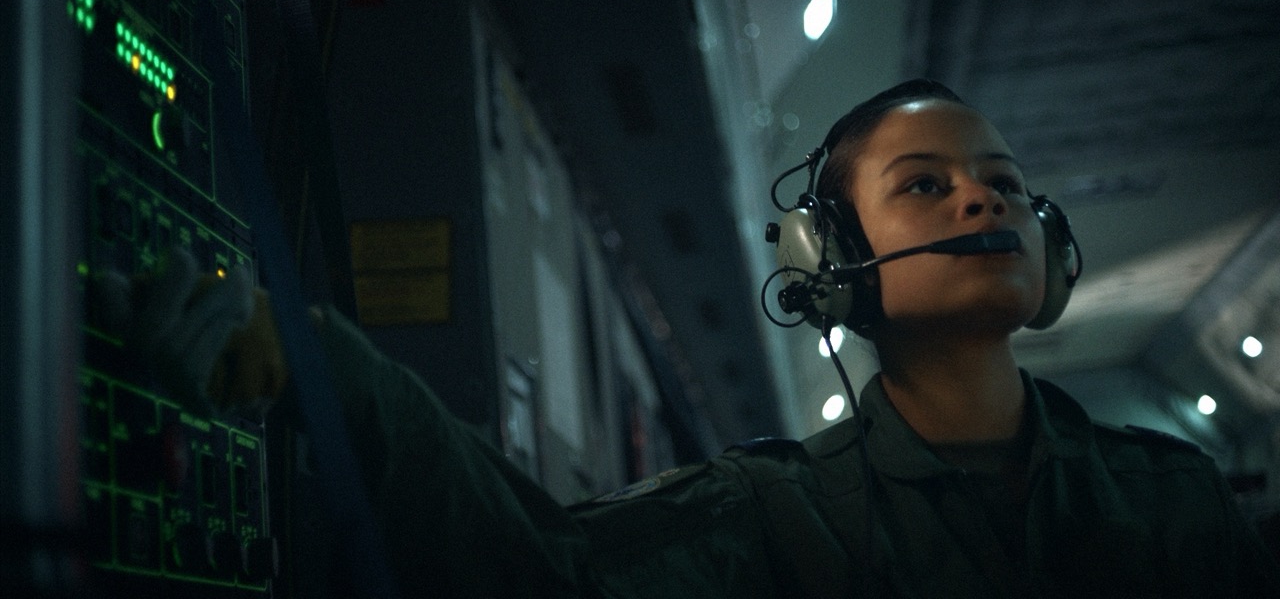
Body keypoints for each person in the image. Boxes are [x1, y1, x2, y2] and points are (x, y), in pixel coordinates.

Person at [97, 79, 1280, 597]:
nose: (984, 204)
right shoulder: (764, 519)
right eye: (926, 186)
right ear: (829, 265)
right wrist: (328, 369)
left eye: (1006, 186)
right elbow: (536, 572)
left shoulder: (1178, 506)